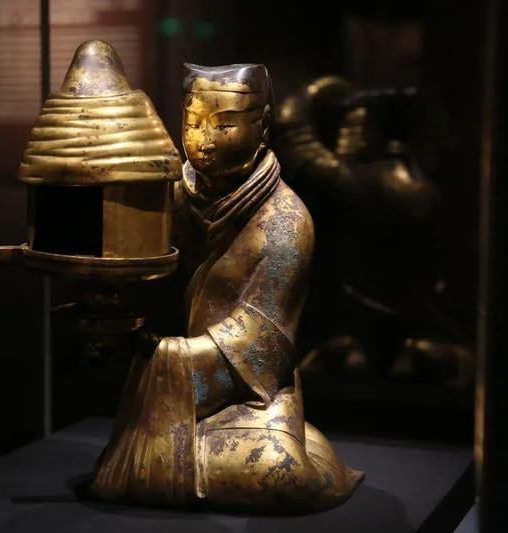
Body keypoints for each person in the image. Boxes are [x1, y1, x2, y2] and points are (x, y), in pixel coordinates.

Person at [92, 63, 363, 512]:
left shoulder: (285, 221)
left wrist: (158, 355)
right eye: (194, 122)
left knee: (279, 473)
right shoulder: (169, 198)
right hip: (167, 379)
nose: (204, 139)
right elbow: (138, 279)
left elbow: (261, 346)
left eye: (224, 125)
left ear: (263, 127)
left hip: (248, 392)